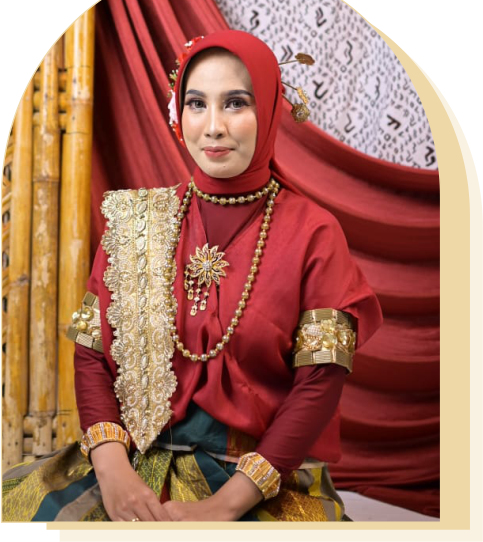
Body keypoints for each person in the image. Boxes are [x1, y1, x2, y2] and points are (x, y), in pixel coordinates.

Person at [2, 30, 383, 522]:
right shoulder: (136, 223)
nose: (214, 126)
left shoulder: (313, 234)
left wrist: (222, 507)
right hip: (131, 464)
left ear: (269, 110)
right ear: (178, 114)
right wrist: (114, 474)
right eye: (197, 104)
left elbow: (318, 384)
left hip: (257, 481)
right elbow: (92, 357)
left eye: (236, 103)